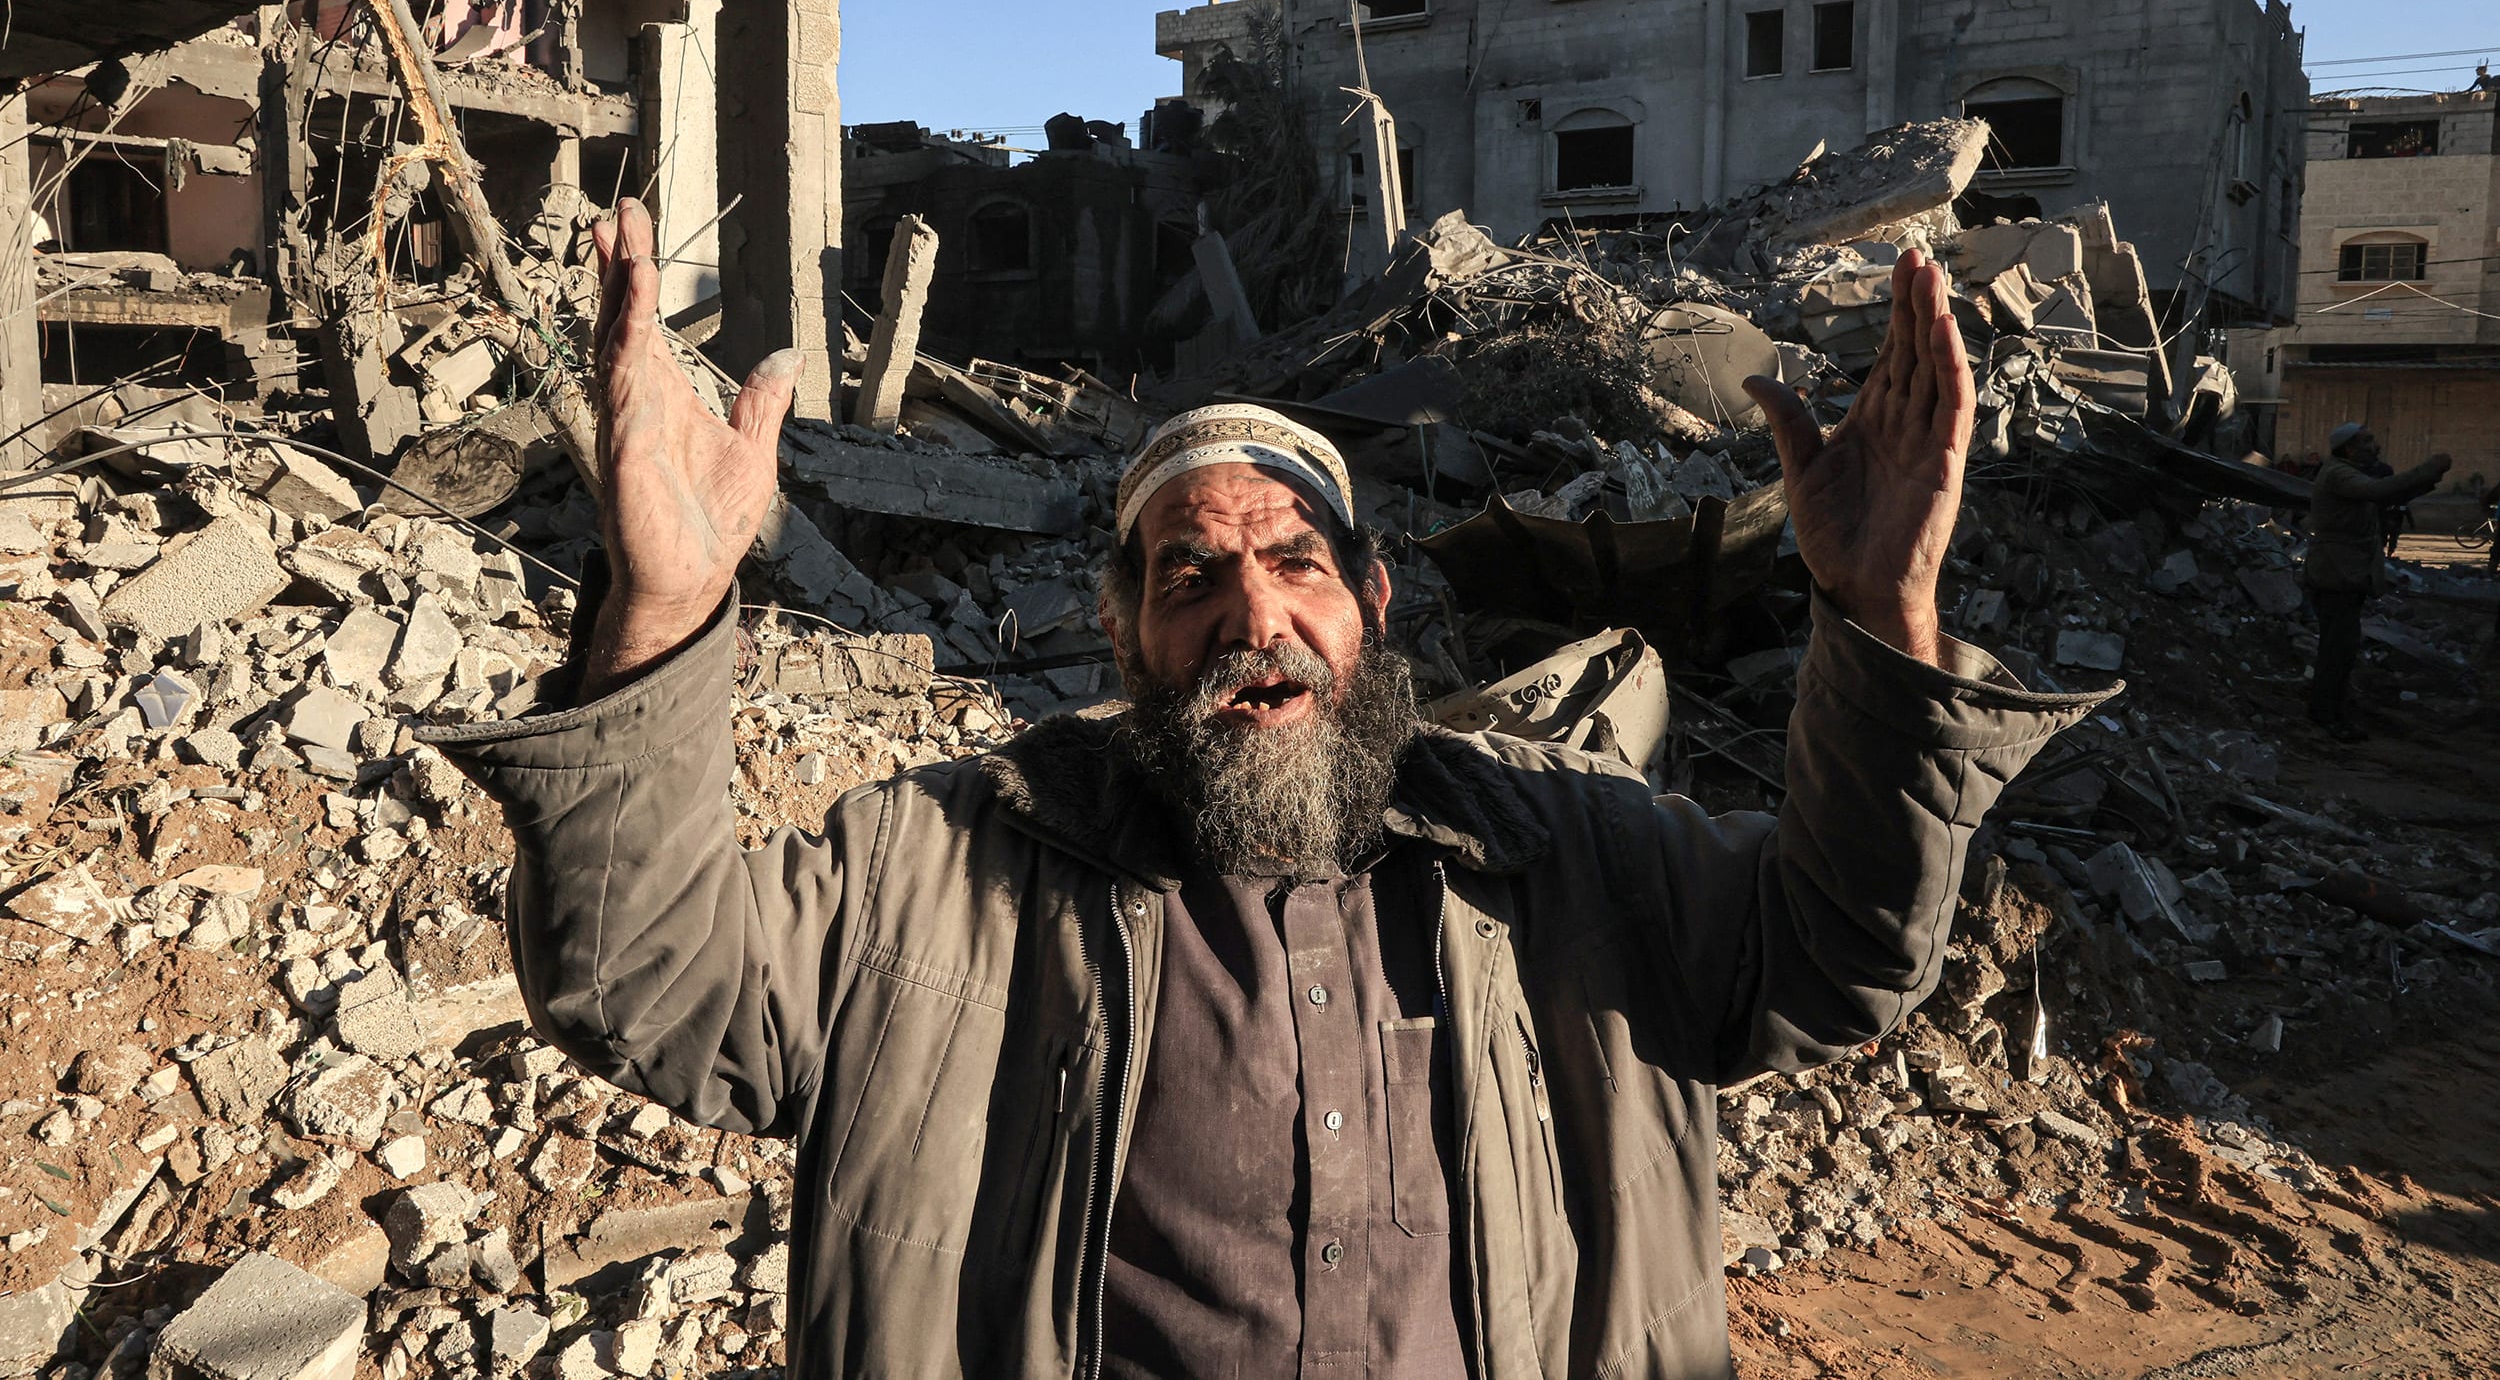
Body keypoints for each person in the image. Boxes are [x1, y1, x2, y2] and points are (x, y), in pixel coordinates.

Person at [428, 200, 2105, 1380]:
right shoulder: (944, 872)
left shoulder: (1572, 852)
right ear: (1123, 636)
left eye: (1295, 557)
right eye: (1189, 574)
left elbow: (1835, 953)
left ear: (1371, 610)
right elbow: (650, 983)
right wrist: (658, 608)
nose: (1249, 605)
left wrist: (1883, 622)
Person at [2300, 422, 2450, 739]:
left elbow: (2386, 495)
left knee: (2341, 647)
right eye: (2367, 441)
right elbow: (2378, 492)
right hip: (2336, 574)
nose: (2374, 446)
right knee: (2336, 649)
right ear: (2349, 448)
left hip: (2346, 573)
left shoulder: (2350, 472)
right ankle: (2326, 716)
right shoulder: (2339, 473)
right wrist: (2426, 469)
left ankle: (2330, 709)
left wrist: (2428, 479)